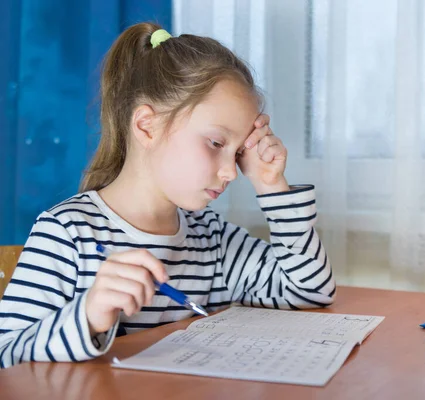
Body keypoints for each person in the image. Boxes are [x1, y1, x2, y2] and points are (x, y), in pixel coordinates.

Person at [0, 22, 335, 369]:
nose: (231, 172)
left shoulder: (212, 238)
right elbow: (6, 359)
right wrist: (87, 316)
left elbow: (309, 290)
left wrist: (271, 185)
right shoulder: (67, 234)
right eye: (217, 143)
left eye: (237, 154)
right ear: (147, 125)